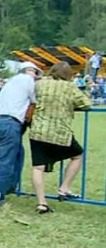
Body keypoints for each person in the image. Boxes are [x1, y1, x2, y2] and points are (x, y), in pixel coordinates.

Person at [28, 62, 92, 214]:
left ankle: (42, 203)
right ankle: (64, 187)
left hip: (38, 131)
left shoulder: (40, 84)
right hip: (60, 132)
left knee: (38, 167)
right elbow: (86, 104)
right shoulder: (70, 87)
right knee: (78, 155)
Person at [0, 61, 41, 210]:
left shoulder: (12, 81)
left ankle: (9, 186)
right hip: (10, 122)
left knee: (18, 153)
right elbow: (35, 100)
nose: (36, 76)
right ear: (29, 71)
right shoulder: (27, 80)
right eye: (35, 72)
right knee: (5, 162)